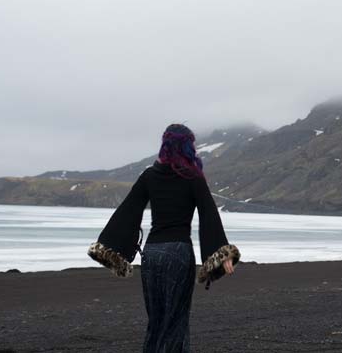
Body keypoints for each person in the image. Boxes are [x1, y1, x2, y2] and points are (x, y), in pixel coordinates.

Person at [88, 123, 240, 352]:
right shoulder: (193, 177)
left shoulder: (150, 175)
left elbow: (128, 210)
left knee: (157, 321)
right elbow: (209, 213)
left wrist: (108, 250)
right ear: (188, 147)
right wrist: (220, 254)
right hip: (178, 253)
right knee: (175, 322)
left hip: (152, 254)